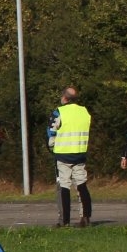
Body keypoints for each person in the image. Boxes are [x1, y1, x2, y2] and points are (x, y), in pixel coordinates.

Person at [47, 86, 93, 227]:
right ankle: (85, 217)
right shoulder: (84, 112)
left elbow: (51, 133)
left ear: (64, 98)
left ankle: (65, 221)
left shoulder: (59, 112)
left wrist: (52, 148)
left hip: (63, 154)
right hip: (80, 153)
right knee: (81, 185)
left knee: (64, 186)